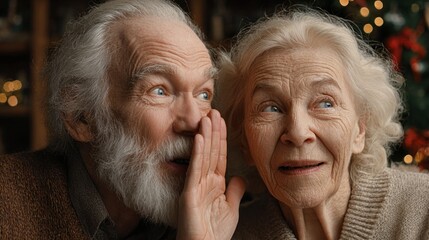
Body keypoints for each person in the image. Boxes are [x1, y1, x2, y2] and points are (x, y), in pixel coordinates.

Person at [0, 0, 245, 239]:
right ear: (81, 117)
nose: (194, 121)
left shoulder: (223, 220)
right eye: (159, 91)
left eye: (204, 94)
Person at [216, 6, 429, 240]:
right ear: (244, 140)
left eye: (325, 103)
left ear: (360, 128)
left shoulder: (422, 210)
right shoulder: (224, 233)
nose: (297, 132)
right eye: (270, 108)